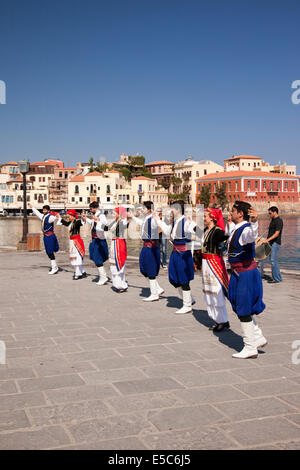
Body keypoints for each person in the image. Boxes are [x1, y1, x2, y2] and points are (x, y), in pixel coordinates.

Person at [228, 201, 267, 359]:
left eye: (233, 211)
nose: (230, 213)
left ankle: (250, 347)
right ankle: (257, 337)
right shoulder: (235, 228)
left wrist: (255, 222)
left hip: (245, 273)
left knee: (243, 309)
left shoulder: (245, 230)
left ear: (240, 214)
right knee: (239, 305)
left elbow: (251, 236)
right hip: (239, 273)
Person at [154, 200, 196, 314]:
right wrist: (157, 219)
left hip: (183, 254)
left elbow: (198, 232)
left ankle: (187, 305)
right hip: (175, 253)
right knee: (174, 279)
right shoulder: (175, 222)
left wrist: (192, 223)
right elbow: (167, 231)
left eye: (172, 208)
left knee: (183, 279)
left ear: (177, 209)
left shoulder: (185, 221)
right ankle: (189, 299)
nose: (170, 210)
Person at [128, 201, 164, 302]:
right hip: (146, 247)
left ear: (148, 209)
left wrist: (156, 217)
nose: (141, 210)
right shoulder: (146, 219)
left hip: (151, 247)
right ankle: (158, 288)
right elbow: (142, 223)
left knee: (150, 269)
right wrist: (132, 217)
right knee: (144, 268)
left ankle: (154, 294)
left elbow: (154, 225)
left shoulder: (152, 219)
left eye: (143, 208)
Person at [201, 208, 229, 332]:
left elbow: (224, 237)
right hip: (205, 263)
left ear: (212, 217)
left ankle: (222, 320)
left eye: (205, 216)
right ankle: (217, 319)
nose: (203, 218)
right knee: (208, 291)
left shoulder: (217, 231)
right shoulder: (205, 230)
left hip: (213, 262)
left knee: (216, 291)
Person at [81, 202, 109, 285]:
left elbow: (105, 226)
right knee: (95, 257)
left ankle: (103, 277)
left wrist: (98, 221)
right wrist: (86, 218)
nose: (90, 210)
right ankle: (104, 276)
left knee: (98, 259)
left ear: (95, 208)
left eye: (91, 209)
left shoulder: (101, 215)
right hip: (94, 239)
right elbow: (93, 224)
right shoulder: (95, 215)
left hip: (99, 239)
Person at [28, 202, 60, 274]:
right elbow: (37, 212)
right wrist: (31, 207)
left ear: (48, 210)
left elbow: (56, 218)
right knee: (48, 252)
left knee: (50, 252)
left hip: (50, 236)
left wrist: (57, 216)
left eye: (45, 210)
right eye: (43, 210)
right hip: (46, 236)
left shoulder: (50, 217)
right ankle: (54, 266)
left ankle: (54, 268)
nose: (43, 211)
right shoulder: (43, 216)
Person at [57, 209, 86, 280]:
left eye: (69, 216)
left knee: (77, 257)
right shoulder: (70, 222)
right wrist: (59, 217)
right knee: (75, 256)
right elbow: (65, 223)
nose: (68, 218)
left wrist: (83, 218)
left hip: (77, 241)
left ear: (73, 216)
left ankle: (78, 273)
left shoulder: (77, 222)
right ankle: (82, 271)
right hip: (72, 241)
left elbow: (82, 222)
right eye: (67, 216)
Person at [106, 206, 129, 292]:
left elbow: (126, 223)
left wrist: (126, 216)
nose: (113, 214)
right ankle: (118, 284)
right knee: (114, 263)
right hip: (114, 243)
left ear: (119, 214)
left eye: (115, 213)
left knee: (118, 263)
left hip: (119, 244)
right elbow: (106, 228)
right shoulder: (115, 222)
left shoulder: (122, 221)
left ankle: (120, 284)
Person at [259, 206, 283, 284]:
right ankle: (278, 278)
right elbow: (271, 231)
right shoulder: (273, 220)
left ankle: (277, 279)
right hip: (270, 243)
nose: (269, 214)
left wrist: (267, 240)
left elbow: (277, 234)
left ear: (275, 212)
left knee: (273, 261)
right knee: (272, 260)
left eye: (270, 213)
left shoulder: (279, 221)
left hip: (275, 243)